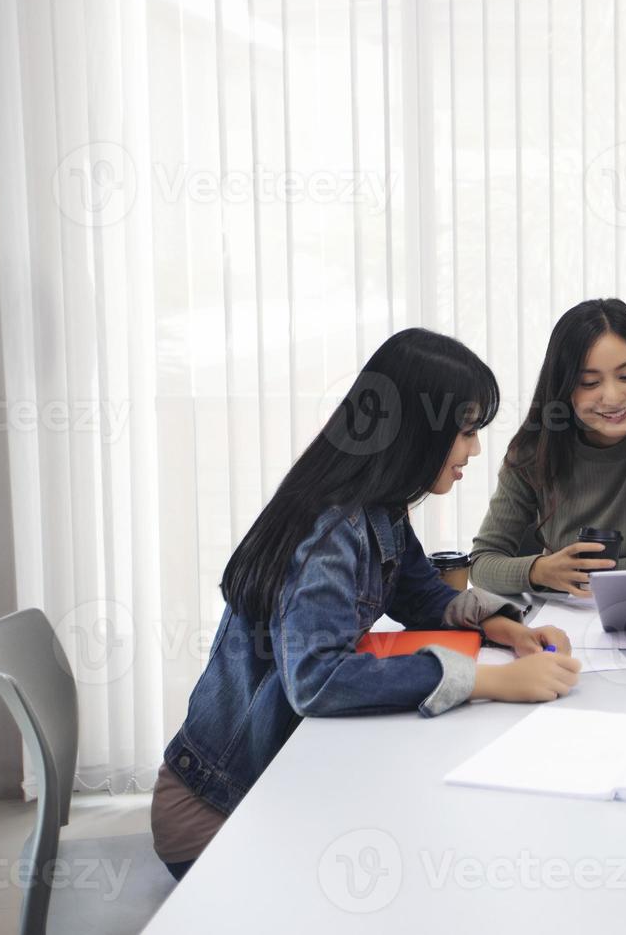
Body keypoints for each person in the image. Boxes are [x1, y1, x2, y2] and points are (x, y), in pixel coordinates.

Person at [151, 328, 580, 880]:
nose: (474, 450)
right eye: (466, 431)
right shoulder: (331, 531)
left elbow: (423, 594)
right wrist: (486, 680)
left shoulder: (379, 510)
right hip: (217, 813)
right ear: (417, 432)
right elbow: (317, 680)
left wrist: (504, 628)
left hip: (268, 786)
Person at [470, 299, 626, 598]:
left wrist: (568, 575)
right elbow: (481, 564)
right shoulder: (534, 450)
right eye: (590, 382)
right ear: (564, 387)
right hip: (558, 624)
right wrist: (540, 570)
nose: (612, 396)